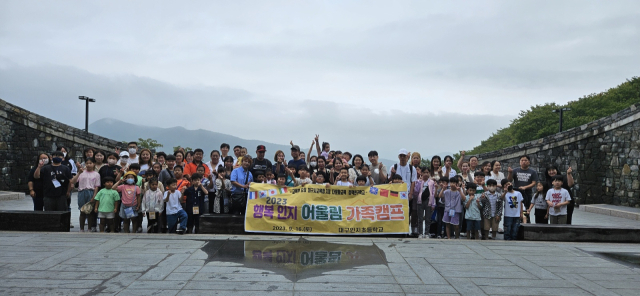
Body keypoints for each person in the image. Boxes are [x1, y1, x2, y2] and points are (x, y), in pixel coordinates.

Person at [507, 155, 538, 223]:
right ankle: (515, 222)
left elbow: (534, 183)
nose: (524, 162)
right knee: (514, 207)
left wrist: (525, 187)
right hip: (515, 193)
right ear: (520, 162)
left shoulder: (532, 172)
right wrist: (510, 173)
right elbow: (509, 180)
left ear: (529, 162)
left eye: (525, 160)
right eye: (522, 160)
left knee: (525, 209)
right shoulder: (515, 170)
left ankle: (526, 222)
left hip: (527, 193)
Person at [73, 157, 101, 232]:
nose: (89, 165)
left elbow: (96, 186)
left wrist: (94, 196)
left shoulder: (96, 174)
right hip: (82, 192)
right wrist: (79, 173)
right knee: (82, 211)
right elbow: (74, 181)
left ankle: (89, 228)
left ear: (94, 164)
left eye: (90, 163)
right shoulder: (81, 173)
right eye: (87, 163)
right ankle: (81, 228)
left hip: (91, 192)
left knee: (90, 211)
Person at [415, 168, 435, 238]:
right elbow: (416, 191)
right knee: (420, 218)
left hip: (428, 201)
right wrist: (419, 182)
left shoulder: (432, 182)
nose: (426, 174)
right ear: (421, 173)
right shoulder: (419, 181)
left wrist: (433, 203)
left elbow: (433, 193)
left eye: (427, 172)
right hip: (420, 201)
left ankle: (426, 233)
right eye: (424, 172)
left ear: (429, 173)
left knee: (427, 218)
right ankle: (420, 233)